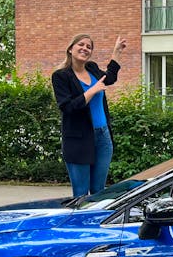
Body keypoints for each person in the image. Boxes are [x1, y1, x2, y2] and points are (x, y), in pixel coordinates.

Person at [51, 34, 125, 197]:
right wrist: (92, 90)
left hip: (103, 136)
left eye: (89, 47)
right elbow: (67, 107)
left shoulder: (92, 68)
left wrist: (116, 52)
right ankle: (79, 222)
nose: (85, 48)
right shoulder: (61, 76)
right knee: (81, 194)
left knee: (99, 191)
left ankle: (96, 221)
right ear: (71, 49)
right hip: (78, 140)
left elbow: (110, 77)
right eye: (81, 45)